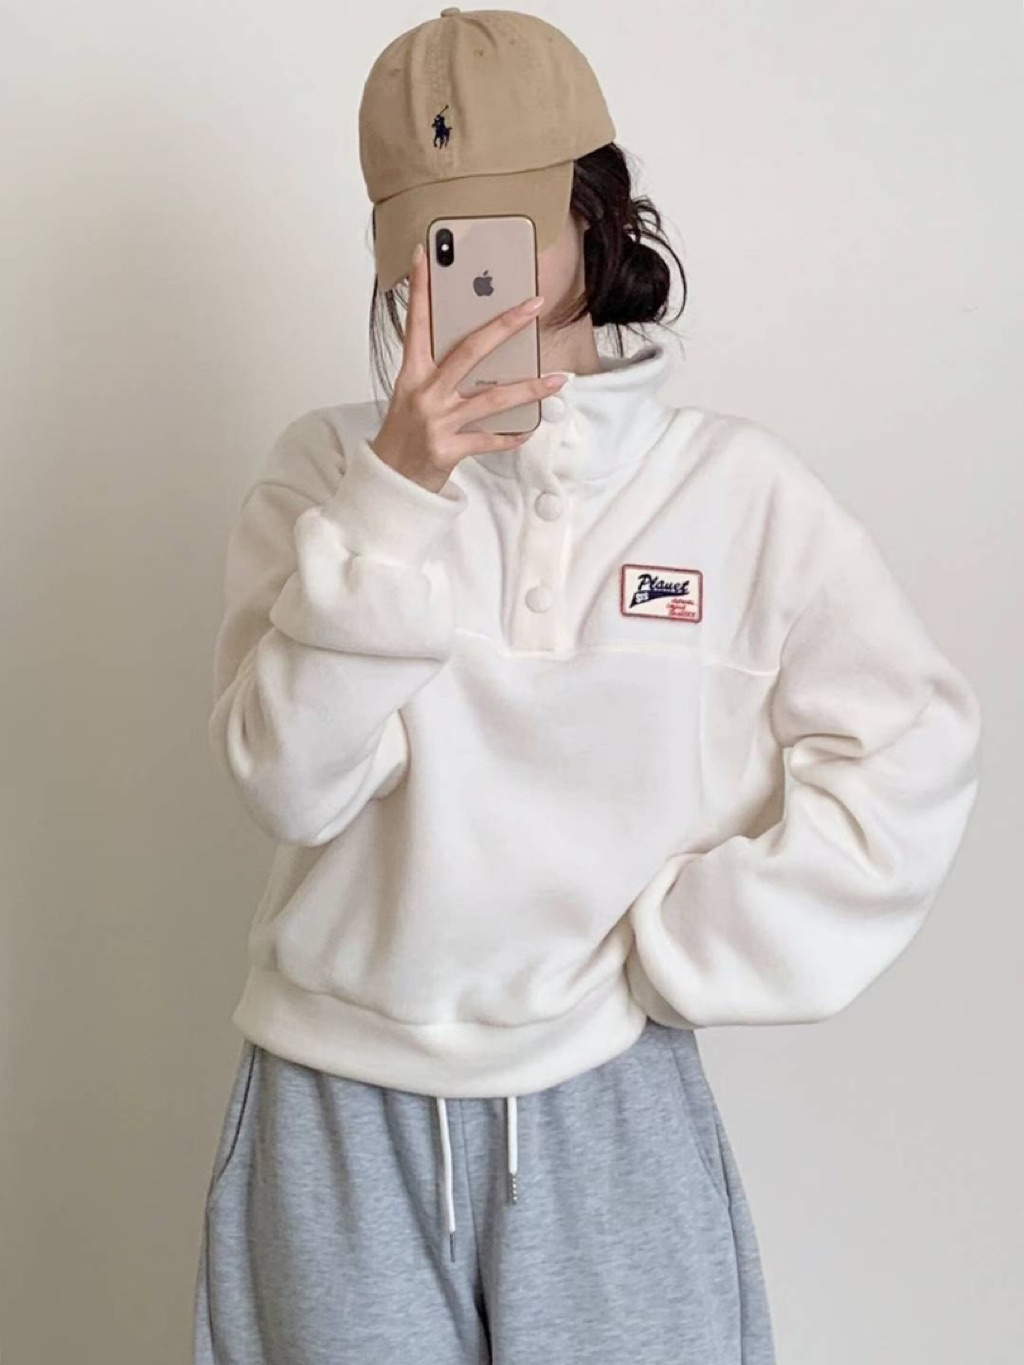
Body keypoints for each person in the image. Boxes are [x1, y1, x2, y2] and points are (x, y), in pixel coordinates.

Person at [191, 8, 982, 1364]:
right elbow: (290, 783)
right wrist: (396, 497)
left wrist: (694, 946)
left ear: (593, 213)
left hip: (607, 1102)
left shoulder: (734, 493)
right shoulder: (322, 481)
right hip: (335, 1112)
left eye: (504, 231)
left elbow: (913, 747)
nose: (467, 276)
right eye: (436, 243)